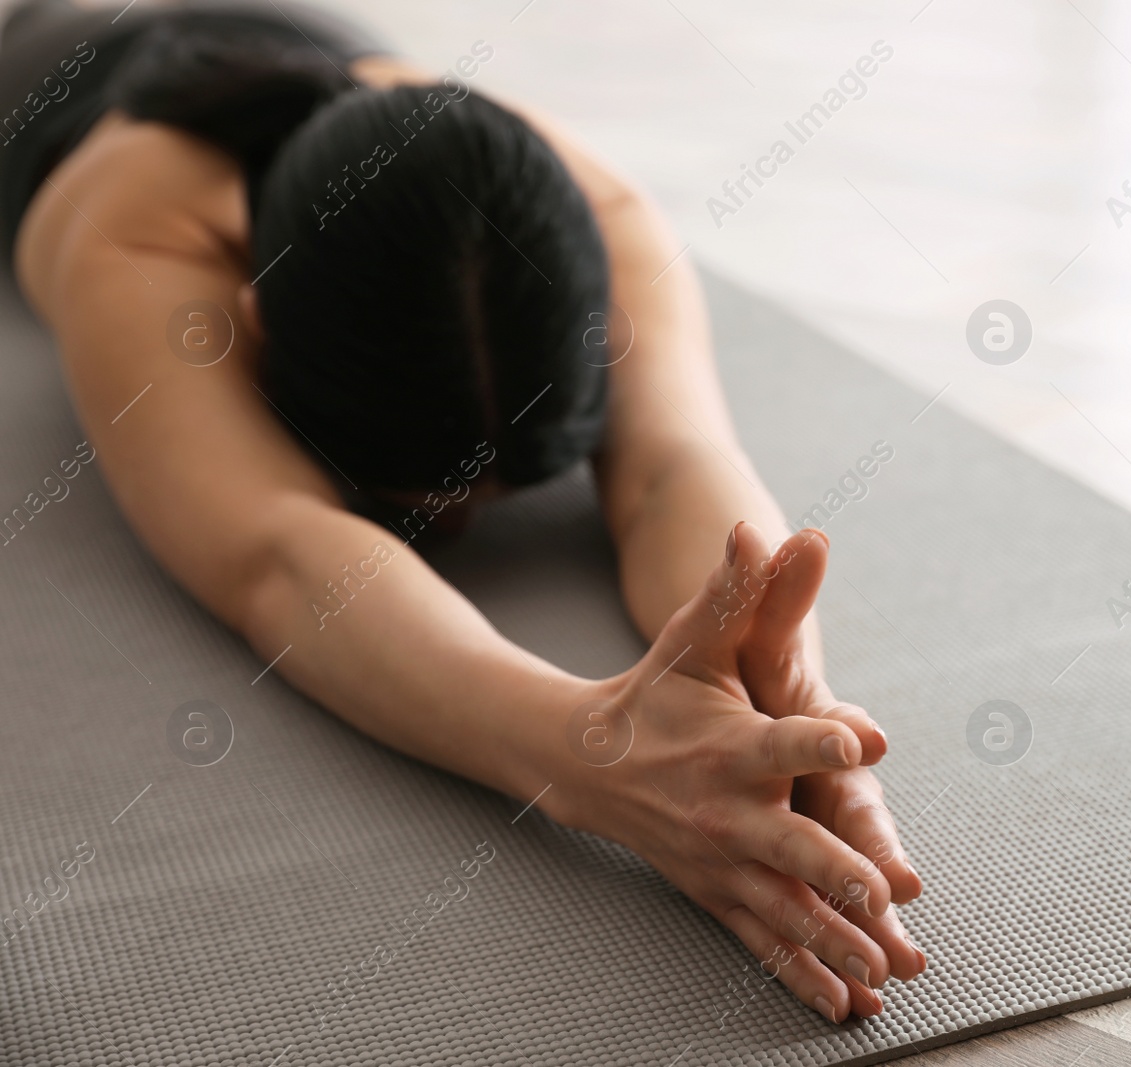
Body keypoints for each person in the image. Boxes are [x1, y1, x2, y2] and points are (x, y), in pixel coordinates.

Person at [1, 0, 925, 1022]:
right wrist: (592, 755)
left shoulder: (593, 208)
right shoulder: (137, 236)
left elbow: (675, 463)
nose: (457, 532)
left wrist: (782, 693)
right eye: (418, 505)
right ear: (252, 329)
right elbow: (281, 554)